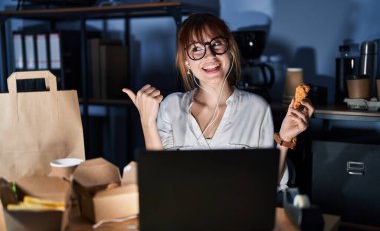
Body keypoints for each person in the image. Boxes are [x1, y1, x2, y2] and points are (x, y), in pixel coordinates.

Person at [122, 13, 314, 189]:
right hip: (183, 218)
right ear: (187, 63)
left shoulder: (257, 108)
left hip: (239, 217)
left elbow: (267, 185)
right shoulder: (171, 106)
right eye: (197, 49)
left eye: (216, 44)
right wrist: (147, 123)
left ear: (230, 50)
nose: (210, 55)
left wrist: (286, 138)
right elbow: (160, 179)